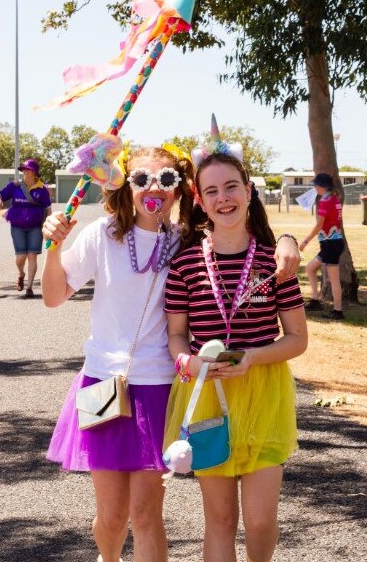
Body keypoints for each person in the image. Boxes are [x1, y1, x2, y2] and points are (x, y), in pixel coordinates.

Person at [41, 133, 302, 562]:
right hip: (102, 384)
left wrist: (288, 237)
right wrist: (54, 247)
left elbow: (241, 229)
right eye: (141, 178)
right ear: (126, 183)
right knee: (110, 517)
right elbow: (53, 296)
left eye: (166, 178)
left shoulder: (185, 241)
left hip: (160, 386)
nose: (153, 188)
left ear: (180, 189)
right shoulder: (100, 235)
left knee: (146, 515)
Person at [163, 150, 307, 562]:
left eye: (231, 187)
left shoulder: (274, 264)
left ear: (248, 192)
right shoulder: (185, 266)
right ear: (199, 200)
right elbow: (176, 335)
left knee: (260, 521)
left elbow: (297, 338)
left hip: (264, 393)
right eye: (212, 191)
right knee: (221, 521)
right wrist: (186, 362)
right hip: (208, 394)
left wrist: (253, 357)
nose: (223, 197)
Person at [0, 159, 52, 298]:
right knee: (21, 256)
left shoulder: (42, 189)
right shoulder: (15, 186)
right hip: (17, 225)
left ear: (35, 172)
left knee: (32, 255)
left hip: (35, 226)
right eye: (24, 170)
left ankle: (29, 287)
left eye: (28, 170)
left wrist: (49, 225)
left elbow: (48, 209)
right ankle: (21, 274)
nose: (25, 172)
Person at [299, 172, 345, 320]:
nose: (314, 187)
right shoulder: (334, 199)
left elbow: (319, 224)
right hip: (330, 244)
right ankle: (315, 300)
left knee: (334, 279)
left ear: (322, 186)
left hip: (331, 244)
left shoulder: (325, 201)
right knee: (310, 268)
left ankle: (338, 311)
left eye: (316, 184)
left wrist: (305, 241)